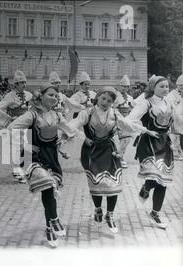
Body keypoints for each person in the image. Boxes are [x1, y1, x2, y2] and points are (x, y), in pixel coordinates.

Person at [66, 86, 154, 234]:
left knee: (114, 183)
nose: (106, 102)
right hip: (92, 151)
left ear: (113, 102)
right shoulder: (87, 112)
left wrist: (145, 130)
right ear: (98, 97)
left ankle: (110, 215)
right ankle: (98, 209)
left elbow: (128, 125)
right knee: (97, 183)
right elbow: (71, 126)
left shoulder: (114, 113)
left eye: (110, 100)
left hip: (110, 150)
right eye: (103, 98)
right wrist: (83, 137)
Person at [7, 83, 74, 247]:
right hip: (34, 158)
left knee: (49, 192)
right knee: (48, 185)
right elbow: (11, 127)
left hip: (51, 157)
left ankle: (49, 227)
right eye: (51, 95)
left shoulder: (57, 115)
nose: (54, 98)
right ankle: (55, 219)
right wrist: (25, 145)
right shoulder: (32, 114)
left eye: (56, 96)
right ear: (41, 96)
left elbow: (70, 131)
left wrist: (61, 142)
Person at [126, 75, 174, 229]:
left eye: (167, 86)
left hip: (164, 143)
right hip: (148, 144)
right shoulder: (145, 103)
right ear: (153, 87)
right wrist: (145, 130)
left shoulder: (169, 103)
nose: (165, 89)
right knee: (155, 176)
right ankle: (147, 187)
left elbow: (174, 123)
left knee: (163, 181)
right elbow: (129, 120)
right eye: (161, 86)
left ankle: (155, 212)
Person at [0, 70, 33, 183]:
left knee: (26, 147)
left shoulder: (28, 95)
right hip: (16, 126)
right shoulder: (10, 96)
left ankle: (22, 169)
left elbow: (32, 107)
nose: (24, 85)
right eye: (21, 83)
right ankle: (17, 170)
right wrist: (8, 119)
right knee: (17, 147)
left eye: (24, 82)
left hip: (26, 125)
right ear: (15, 84)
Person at [113, 75, 136, 168]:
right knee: (121, 139)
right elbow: (112, 108)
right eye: (123, 86)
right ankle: (119, 157)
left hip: (127, 120)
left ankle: (120, 156)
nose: (124, 88)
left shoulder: (130, 98)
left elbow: (133, 109)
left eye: (126, 86)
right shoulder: (115, 97)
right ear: (120, 86)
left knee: (126, 139)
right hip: (117, 119)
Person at [167, 74, 183, 161]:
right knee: (175, 137)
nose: (182, 87)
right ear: (177, 85)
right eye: (181, 85)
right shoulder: (171, 95)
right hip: (175, 118)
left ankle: (181, 153)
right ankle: (175, 153)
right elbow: (170, 106)